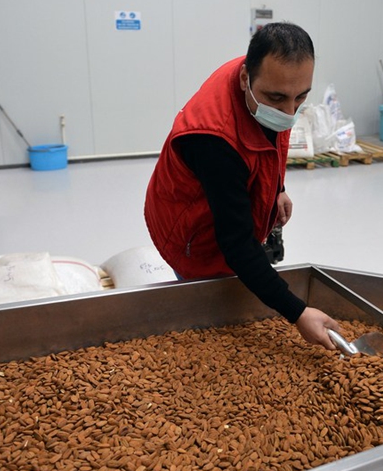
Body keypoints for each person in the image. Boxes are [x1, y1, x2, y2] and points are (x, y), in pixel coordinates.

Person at [144, 22, 341, 350]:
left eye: (300, 98)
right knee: (205, 325)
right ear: (244, 79)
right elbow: (235, 243)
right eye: (278, 99)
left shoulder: (270, 81)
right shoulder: (213, 141)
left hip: (218, 193)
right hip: (188, 228)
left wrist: (277, 187)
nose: (290, 113)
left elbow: (272, 141)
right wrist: (297, 312)